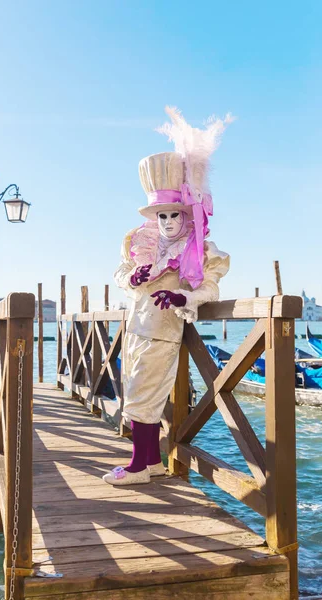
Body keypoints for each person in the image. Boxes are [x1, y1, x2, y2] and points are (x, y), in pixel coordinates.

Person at [103, 107, 232, 485]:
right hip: (136, 328)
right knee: (134, 393)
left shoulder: (199, 251)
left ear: (187, 216)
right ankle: (151, 463)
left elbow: (209, 287)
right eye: (162, 217)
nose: (168, 223)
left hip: (163, 331)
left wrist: (182, 298)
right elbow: (119, 274)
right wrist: (134, 276)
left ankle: (139, 467)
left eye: (174, 216)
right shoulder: (143, 244)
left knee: (144, 397)